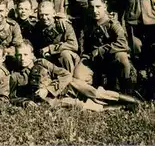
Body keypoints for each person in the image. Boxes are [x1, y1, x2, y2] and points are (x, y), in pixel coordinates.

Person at [10, 40, 140, 111]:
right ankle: (122, 108)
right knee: (83, 106)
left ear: (32, 54)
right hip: (53, 100)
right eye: (19, 55)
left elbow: (65, 74)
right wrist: (27, 102)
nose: (22, 58)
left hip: (70, 85)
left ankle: (133, 101)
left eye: (26, 54)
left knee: (95, 93)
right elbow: (12, 97)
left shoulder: (42, 63)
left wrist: (48, 89)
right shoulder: (15, 75)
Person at [73, 0, 133, 92]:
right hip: (93, 59)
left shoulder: (113, 24)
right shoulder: (88, 23)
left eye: (98, 7)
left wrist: (101, 50)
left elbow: (122, 43)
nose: (94, 11)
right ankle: (94, 88)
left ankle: (126, 91)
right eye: (92, 7)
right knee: (78, 76)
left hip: (110, 59)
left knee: (122, 58)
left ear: (105, 6)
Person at [30, 1, 79, 73]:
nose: (44, 17)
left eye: (47, 14)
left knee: (65, 54)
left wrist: (50, 48)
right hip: (50, 58)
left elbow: (73, 45)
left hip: (66, 59)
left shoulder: (63, 25)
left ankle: (69, 77)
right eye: (41, 15)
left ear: (53, 13)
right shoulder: (38, 27)